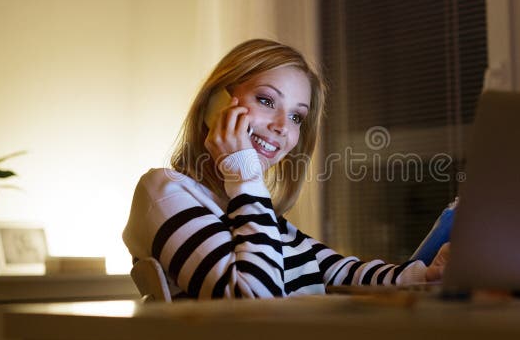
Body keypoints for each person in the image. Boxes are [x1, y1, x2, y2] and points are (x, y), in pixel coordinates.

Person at [123, 39, 450, 299]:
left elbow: (342, 273)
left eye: (296, 116)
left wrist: (425, 274)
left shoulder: (256, 217)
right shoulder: (165, 191)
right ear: (215, 103)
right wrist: (243, 174)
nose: (283, 126)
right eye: (267, 101)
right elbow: (254, 303)